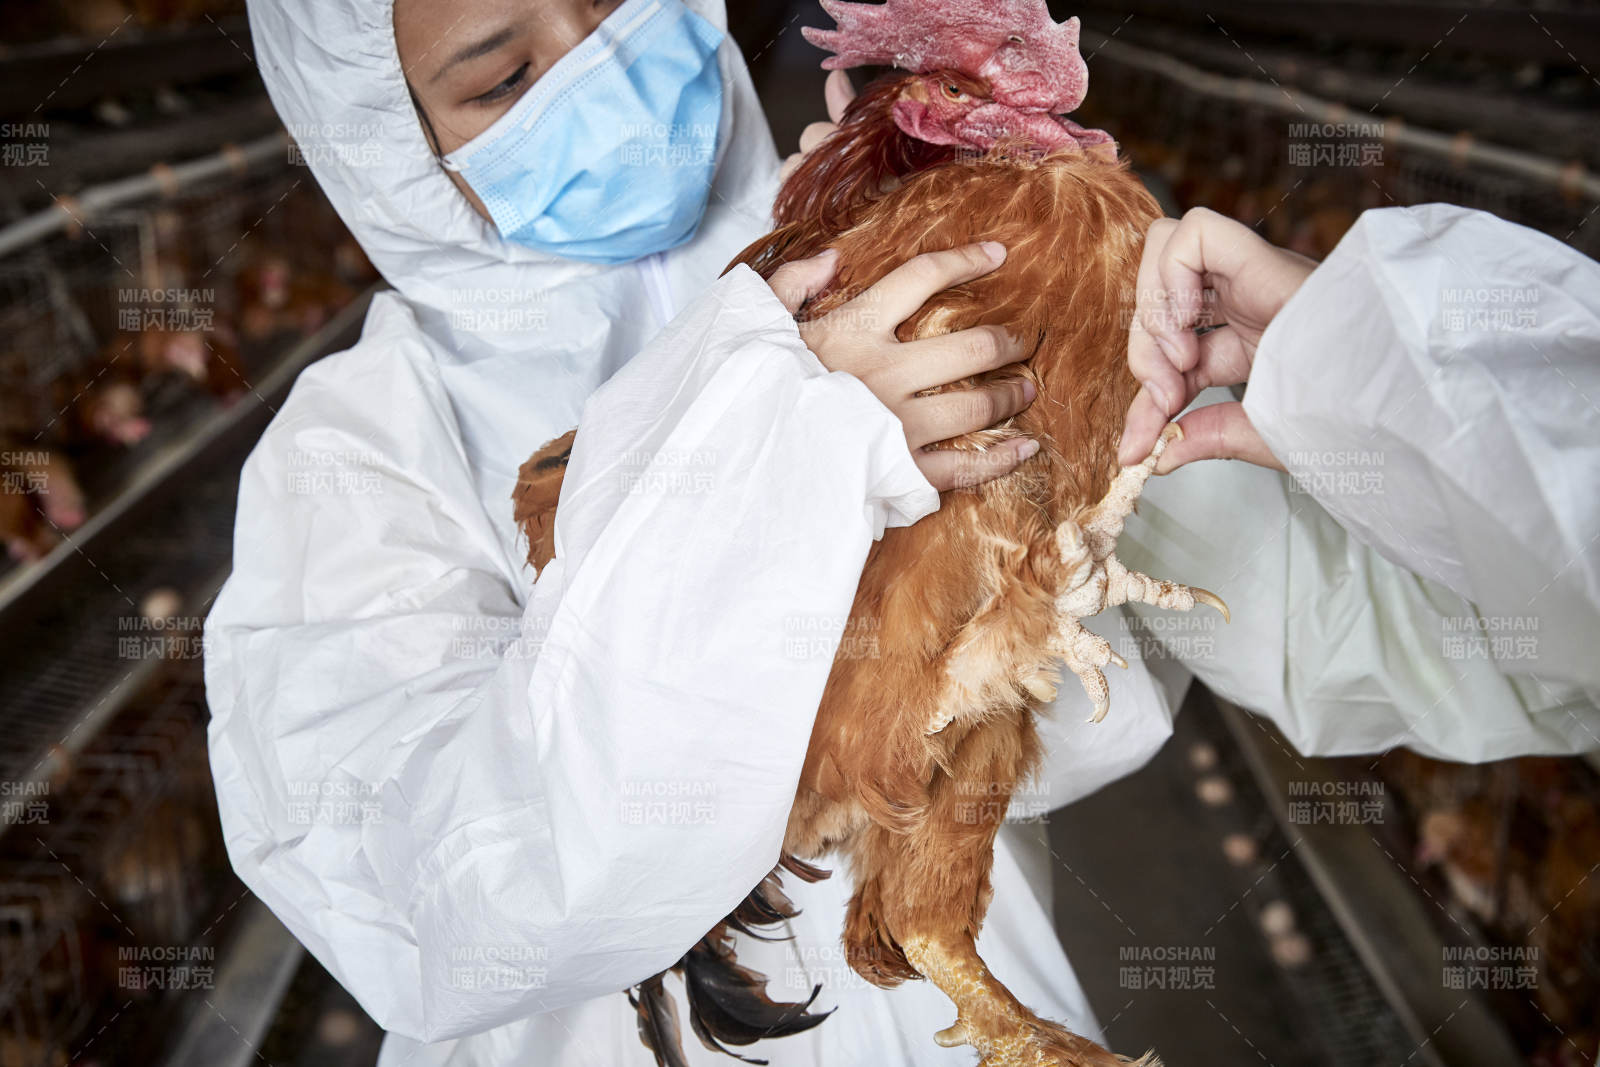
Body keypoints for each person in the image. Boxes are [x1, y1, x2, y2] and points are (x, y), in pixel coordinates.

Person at [203, 2, 1600, 1065]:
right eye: (504, 79)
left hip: (944, 999)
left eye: (620, 2)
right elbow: (441, 905)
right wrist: (789, 453)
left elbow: (1453, 645)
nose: (601, 64)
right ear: (389, 153)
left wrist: (1362, 375)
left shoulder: (964, 271)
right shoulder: (361, 453)